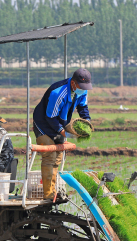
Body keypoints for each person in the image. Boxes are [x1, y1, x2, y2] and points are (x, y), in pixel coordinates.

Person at [32, 68, 93, 199]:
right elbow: (50, 117)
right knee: (49, 156)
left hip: (60, 121)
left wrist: (87, 121)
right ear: (73, 83)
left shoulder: (82, 90)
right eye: (81, 86)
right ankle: (48, 194)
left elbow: (83, 107)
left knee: (58, 158)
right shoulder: (58, 93)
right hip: (43, 123)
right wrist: (64, 132)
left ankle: (53, 191)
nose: (84, 89)